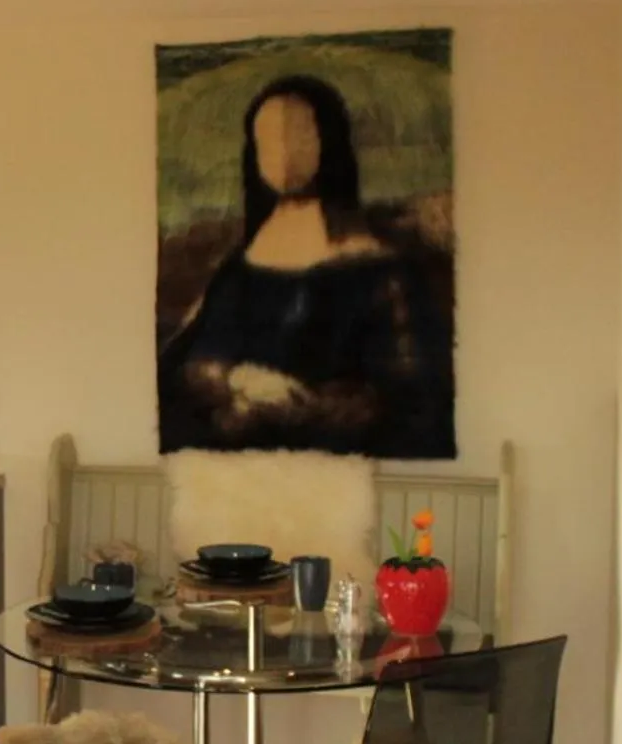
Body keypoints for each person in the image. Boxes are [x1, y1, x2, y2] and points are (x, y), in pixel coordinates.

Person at [157, 74, 455, 458]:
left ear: (327, 140)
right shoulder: (241, 266)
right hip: (237, 471)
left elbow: (412, 400)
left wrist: (305, 405)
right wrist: (236, 378)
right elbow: (192, 363)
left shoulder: (381, 271)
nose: (283, 151)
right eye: (268, 138)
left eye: (299, 134)